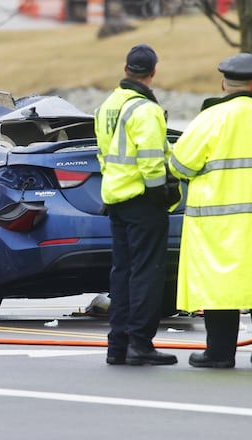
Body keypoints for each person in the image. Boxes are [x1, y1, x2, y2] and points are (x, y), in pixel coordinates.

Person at [169, 52, 252, 368]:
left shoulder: (210, 119)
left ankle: (219, 354)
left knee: (220, 288)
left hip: (219, 225)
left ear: (223, 83)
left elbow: (180, 165)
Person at [94, 43, 179, 366]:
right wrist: (162, 194)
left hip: (115, 199)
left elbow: (104, 155)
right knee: (147, 274)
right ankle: (140, 343)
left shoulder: (107, 106)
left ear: (127, 69)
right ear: (153, 72)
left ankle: (117, 344)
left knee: (123, 273)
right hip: (143, 201)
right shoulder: (146, 110)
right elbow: (151, 161)